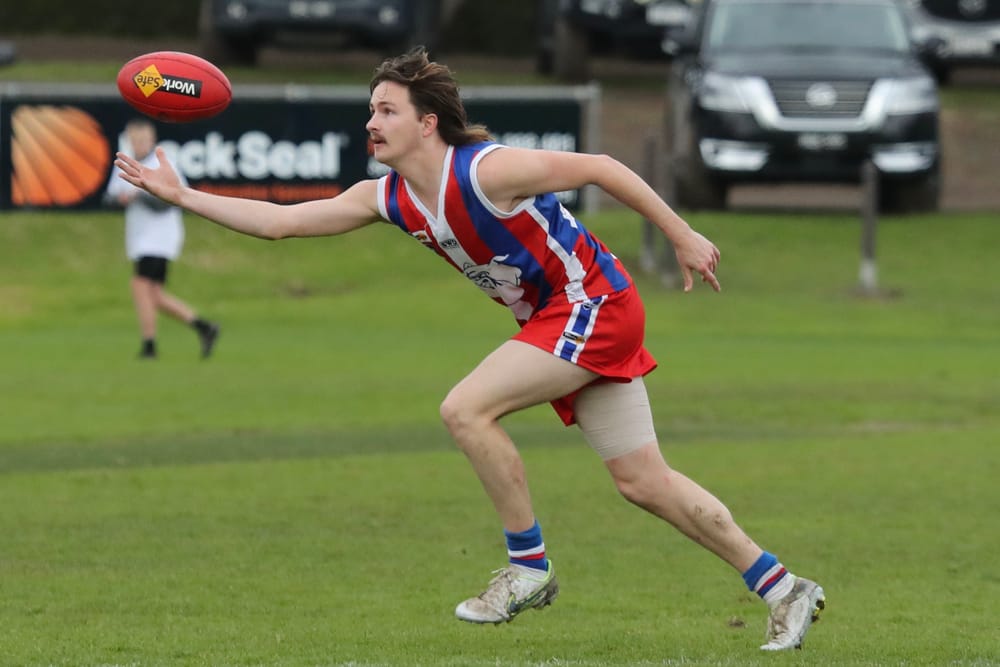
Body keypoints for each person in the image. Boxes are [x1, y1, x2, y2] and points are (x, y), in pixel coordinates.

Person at [114, 48, 825, 651]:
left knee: (465, 408)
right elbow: (279, 223)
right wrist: (182, 195)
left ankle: (528, 566)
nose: (371, 122)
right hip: (564, 320)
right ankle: (783, 585)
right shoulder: (388, 196)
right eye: (370, 110)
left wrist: (680, 234)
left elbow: (604, 166)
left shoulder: (487, 171)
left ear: (428, 123)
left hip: (594, 306)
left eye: (386, 110)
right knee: (644, 483)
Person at [105, 118, 220, 360]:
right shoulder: (126, 165)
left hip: (159, 238)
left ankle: (149, 346)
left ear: (152, 140)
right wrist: (121, 200)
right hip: (138, 238)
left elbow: (175, 199)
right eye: (134, 140)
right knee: (155, 295)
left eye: (143, 140)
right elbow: (110, 197)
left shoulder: (163, 165)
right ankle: (204, 327)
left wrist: (140, 196)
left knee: (139, 286)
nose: (138, 144)